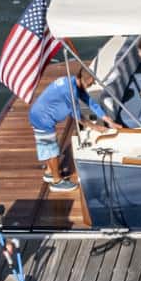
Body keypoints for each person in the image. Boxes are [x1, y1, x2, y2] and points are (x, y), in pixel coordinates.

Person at [27, 62, 114, 192]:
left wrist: (108, 120)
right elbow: (78, 117)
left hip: (40, 114)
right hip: (43, 119)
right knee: (52, 150)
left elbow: (90, 102)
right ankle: (57, 182)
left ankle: (50, 172)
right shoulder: (70, 91)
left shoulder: (73, 82)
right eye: (92, 82)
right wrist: (96, 128)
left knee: (48, 146)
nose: (93, 84)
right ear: (87, 79)